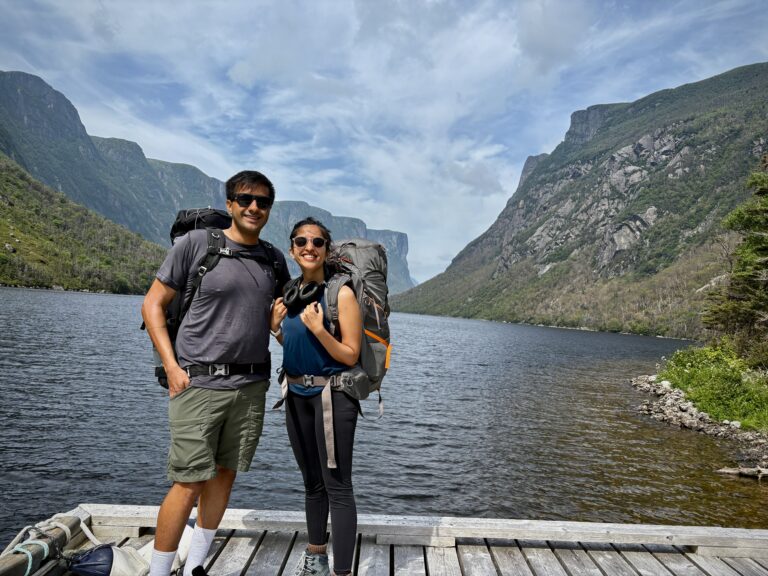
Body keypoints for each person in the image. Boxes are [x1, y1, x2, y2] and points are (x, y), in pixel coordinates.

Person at [141, 170, 289, 576]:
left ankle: (196, 566)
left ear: (269, 209)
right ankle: (158, 573)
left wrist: (280, 327)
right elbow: (153, 304)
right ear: (230, 205)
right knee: (188, 482)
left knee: (225, 474)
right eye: (245, 199)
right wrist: (172, 367)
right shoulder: (197, 245)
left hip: (251, 386)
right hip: (198, 382)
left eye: (262, 202)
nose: (253, 207)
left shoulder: (273, 260)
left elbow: (280, 324)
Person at [270, 217, 362, 576]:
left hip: (332, 398)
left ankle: (341, 573)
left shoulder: (341, 293)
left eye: (317, 242)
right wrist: (274, 329)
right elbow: (296, 346)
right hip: (295, 395)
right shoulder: (291, 293)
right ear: (292, 249)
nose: (309, 247)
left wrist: (320, 329)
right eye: (301, 241)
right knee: (311, 483)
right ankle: (315, 558)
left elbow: (349, 354)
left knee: (337, 487)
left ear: (326, 249)